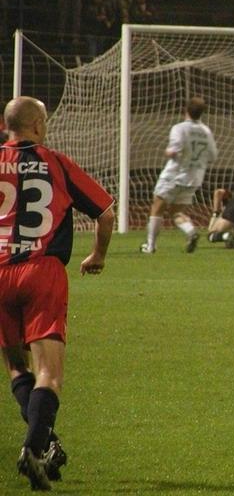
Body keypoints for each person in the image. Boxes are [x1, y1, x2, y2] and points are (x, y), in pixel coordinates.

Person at [0, 96, 114, 490]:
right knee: (49, 372)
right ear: (36, 125)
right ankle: (35, 448)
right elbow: (105, 213)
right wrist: (98, 255)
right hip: (42, 271)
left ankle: (45, 442)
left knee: (17, 367)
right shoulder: (56, 162)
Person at [141, 96, 218, 254]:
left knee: (157, 208)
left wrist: (168, 152)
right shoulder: (206, 131)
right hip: (194, 178)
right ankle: (191, 231)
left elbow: (174, 151)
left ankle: (150, 246)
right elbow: (213, 156)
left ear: (186, 110)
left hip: (174, 175)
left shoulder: (179, 128)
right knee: (176, 212)